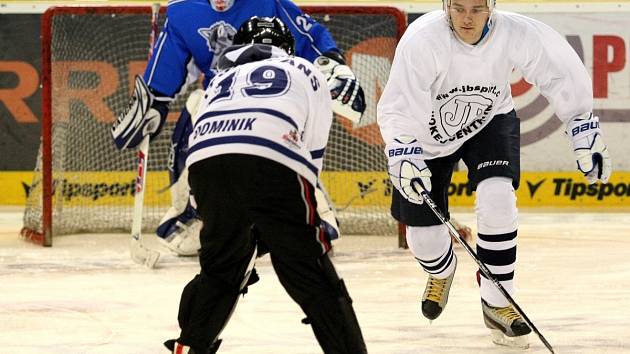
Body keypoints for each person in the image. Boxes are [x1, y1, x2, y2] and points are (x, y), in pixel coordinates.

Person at [377, 0, 612, 348]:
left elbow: (557, 68)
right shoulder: (423, 39)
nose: (467, 18)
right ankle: (441, 271)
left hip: (489, 122)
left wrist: (581, 125)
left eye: (477, 9)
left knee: (498, 198)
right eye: (458, 8)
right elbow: (400, 101)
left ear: (491, 8)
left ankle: (499, 302)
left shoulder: (515, 32)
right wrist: (402, 149)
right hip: (425, 139)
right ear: (446, 6)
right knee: (424, 240)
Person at [159, 17, 366, 354]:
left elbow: (207, 146)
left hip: (206, 166)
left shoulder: (218, 79)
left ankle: (189, 346)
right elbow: (309, 159)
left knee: (222, 266)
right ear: (287, 47)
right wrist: (283, 233)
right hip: (269, 158)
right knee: (308, 269)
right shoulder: (303, 67)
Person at [111, 0, 365, 256]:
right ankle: (197, 217)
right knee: (196, 105)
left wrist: (332, 63)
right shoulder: (182, 10)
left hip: (272, 95)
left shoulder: (267, 2)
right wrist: (153, 102)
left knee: (279, 138)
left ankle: (312, 214)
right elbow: (164, 74)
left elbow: (310, 36)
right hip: (221, 96)